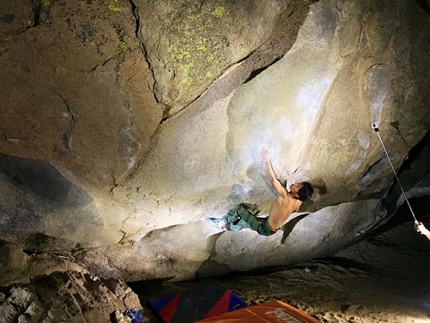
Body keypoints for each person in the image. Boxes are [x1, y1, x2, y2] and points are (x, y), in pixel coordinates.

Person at [207, 148, 314, 236]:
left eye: (297, 186)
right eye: (298, 183)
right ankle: (228, 227)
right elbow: (294, 209)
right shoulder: (299, 202)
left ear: (296, 194)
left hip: (264, 227)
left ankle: (220, 223)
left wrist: (267, 161)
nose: (295, 184)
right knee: (246, 222)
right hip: (272, 229)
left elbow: (273, 179)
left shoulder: (285, 196)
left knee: (239, 209)